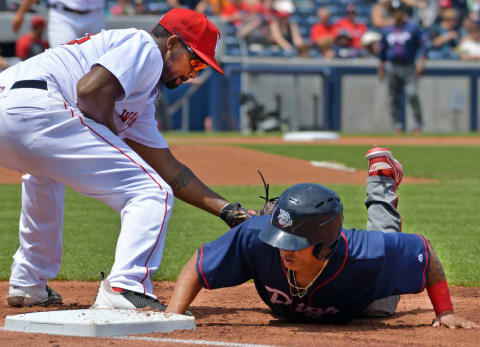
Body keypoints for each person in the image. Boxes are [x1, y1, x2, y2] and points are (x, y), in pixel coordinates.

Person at [0, 8, 254, 310]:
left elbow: (170, 169)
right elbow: (90, 91)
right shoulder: (145, 48)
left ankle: (29, 282)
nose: (193, 74)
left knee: (44, 174)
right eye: (195, 61)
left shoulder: (141, 97)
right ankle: (124, 286)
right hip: (39, 108)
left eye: (201, 68)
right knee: (150, 191)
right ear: (172, 44)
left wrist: (229, 211)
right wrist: (111, 145)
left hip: (15, 110)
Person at [166, 146, 479, 329]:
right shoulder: (258, 240)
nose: (282, 251)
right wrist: (173, 315)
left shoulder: (367, 255)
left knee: (381, 305)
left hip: (364, 300)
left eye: (293, 243)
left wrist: (445, 311)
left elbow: (426, 254)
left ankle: (382, 180)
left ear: (325, 247)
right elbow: (199, 264)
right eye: (279, 237)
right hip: (298, 298)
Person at [378, 0, 426, 133]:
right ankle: (397, 125)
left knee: (412, 94)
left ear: (403, 12)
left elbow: (422, 46)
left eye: (399, 11)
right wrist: (381, 66)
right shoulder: (387, 30)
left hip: (409, 66)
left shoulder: (412, 28)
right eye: (394, 11)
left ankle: (418, 125)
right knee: (393, 98)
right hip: (393, 66)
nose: (397, 14)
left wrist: (421, 61)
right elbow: (382, 51)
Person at [12, 0, 105, 47]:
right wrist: (21, 13)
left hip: (95, 15)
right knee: (63, 57)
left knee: (96, 59)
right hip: (63, 16)